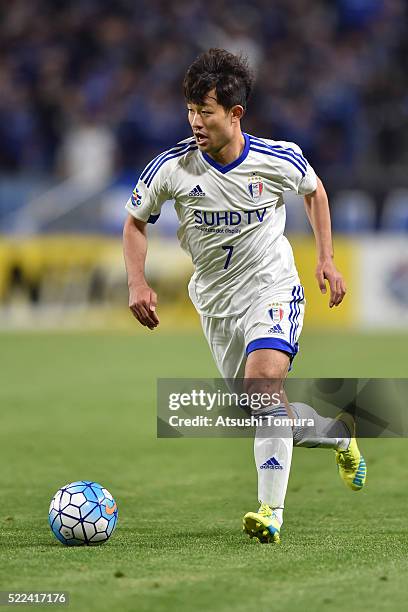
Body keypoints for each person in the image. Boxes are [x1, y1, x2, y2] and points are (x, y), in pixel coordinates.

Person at [123, 48, 366, 544]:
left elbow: (315, 192)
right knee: (260, 407)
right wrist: (137, 281)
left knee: (261, 386)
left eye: (205, 111)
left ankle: (269, 512)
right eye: (190, 110)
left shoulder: (278, 158)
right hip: (215, 303)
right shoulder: (170, 168)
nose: (194, 121)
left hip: (272, 287)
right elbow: (134, 222)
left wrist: (325, 258)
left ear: (235, 114)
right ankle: (336, 432)